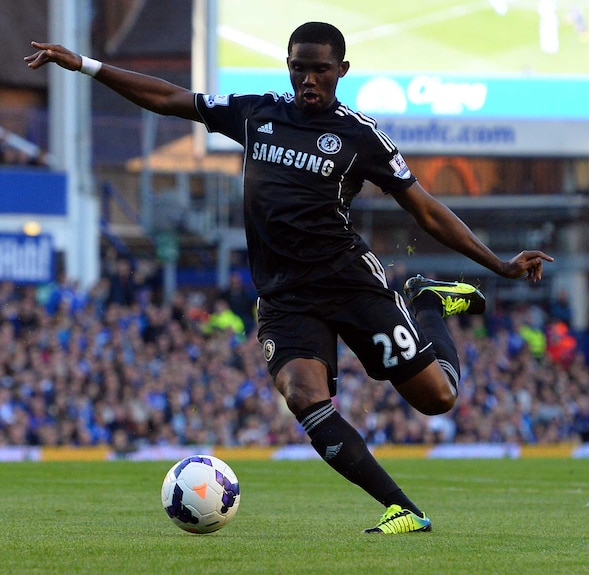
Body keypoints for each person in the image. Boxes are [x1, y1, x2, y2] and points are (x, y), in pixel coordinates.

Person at [26, 22, 552, 532]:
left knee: (438, 399)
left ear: (342, 69)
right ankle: (403, 510)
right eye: (299, 68)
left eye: (320, 70)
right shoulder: (257, 114)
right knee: (303, 395)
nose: (308, 80)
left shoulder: (360, 137)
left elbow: (428, 213)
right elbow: (169, 98)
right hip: (284, 295)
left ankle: (431, 305)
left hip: (350, 283)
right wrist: (86, 65)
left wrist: (500, 265)